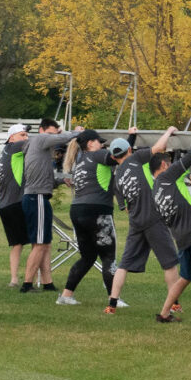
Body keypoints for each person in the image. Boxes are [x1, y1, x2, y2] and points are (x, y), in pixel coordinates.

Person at [103, 126, 181, 319]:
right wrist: (169, 131)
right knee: (169, 263)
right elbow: (160, 147)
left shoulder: (117, 177)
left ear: (113, 157)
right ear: (129, 151)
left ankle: (112, 304)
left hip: (136, 222)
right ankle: (174, 305)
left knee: (124, 264)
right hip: (154, 219)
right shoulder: (135, 159)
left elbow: (126, 207)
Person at [55, 127, 136, 306]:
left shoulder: (81, 160)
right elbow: (121, 153)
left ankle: (66, 296)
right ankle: (113, 299)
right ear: (90, 143)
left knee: (88, 257)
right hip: (97, 211)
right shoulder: (99, 155)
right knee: (108, 257)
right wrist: (131, 135)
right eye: (100, 142)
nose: (102, 145)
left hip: (77, 211)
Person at [151, 130, 191, 327]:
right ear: (164, 165)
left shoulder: (156, 189)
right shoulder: (168, 177)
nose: (171, 166)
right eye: (169, 163)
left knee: (185, 277)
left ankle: (164, 314)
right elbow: (190, 158)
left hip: (180, 237)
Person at [19, 119, 83, 293]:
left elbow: (43, 176)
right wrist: (77, 132)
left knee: (45, 243)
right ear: (42, 130)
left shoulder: (41, 149)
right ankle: (27, 284)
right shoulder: (40, 139)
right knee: (39, 243)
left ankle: (48, 283)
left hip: (40, 197)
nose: (53, 137)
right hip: (36, 197)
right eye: (51, 133)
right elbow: (63, 139)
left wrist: (62, 181)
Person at [0, 124, 30, 287]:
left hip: (4, 204)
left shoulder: (4, 153)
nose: (26, 138)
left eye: (26, 135)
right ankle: (32, 279)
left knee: (17, 244)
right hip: (16, 202)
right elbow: (40, 143)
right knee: (39, 242)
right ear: (12, 138)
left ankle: (14, 279)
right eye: (22, 135)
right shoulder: (14, 148)